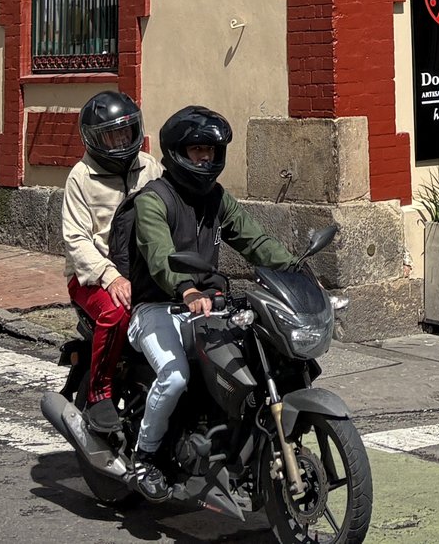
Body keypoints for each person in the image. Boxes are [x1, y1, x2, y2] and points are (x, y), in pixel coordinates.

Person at [121, 105, 296, 500]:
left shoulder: (217, 199)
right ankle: (144, 457)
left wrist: (294, 267)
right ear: (177, 152)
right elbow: (160, 255)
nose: (205, 158)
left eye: (211, 151)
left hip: (207, 307)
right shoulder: (154, 199)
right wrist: (186, 289)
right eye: (197, 149)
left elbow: (254, 240)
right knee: (175, 376)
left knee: (248, 367)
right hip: (157, 308)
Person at [60, 90, 156, 431]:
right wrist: (109, 276)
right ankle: (100, 391)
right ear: (94, 139)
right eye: (111, 135)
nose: (121, 141)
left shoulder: (149, 166)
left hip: (142, 271)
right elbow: (76, 238)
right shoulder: (81, 177)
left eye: (126, 131)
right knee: (117, 311)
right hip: (92, 276)